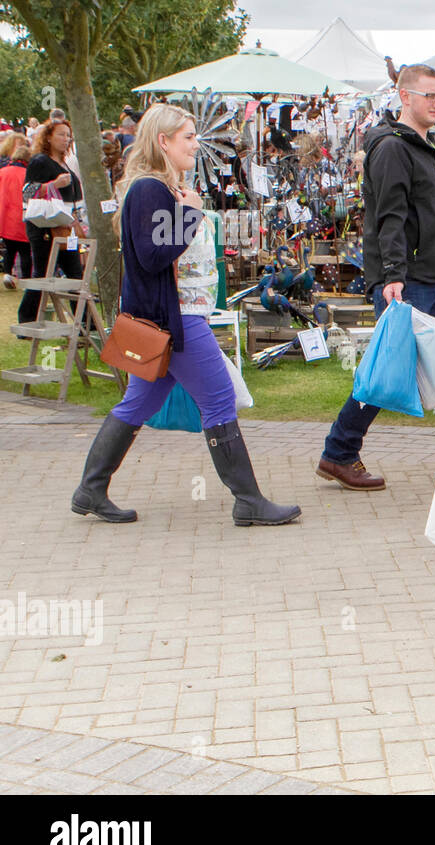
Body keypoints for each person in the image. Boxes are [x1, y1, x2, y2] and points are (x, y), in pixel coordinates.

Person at [71, 103, 300, 528]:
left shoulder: (160, 188)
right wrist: (191, 213)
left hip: (173, 316)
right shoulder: (148, 189)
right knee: (217, 399)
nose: (197, 144)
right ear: (163, 141)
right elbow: (154, 255)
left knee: (138, 402)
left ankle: (91, 488)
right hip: (175, 320)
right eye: (189, 137)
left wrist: (188, 209)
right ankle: (248, 500)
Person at [316, 64, 435, 491]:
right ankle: (339, 452)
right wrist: (393, 274)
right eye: (429, 95)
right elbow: (388, 216)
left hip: (431, 274)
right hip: (408, 278)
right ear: (404, 97)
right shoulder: (393, 147)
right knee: (389, 370)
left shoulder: (420, 146)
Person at [18, 119, 85, 324]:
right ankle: (27, 318)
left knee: (74, 272)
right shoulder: (40, 161)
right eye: (61, 134)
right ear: (48, 137)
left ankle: (83, 321)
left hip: (65, 226)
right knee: (43, 272)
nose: (66, 139)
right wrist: (52, 185)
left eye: (68, 135)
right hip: (45, 227)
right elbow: (27, 192)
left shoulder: (65, 163)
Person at [0, 141, 33, 288]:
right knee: (25, 251)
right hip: (22, 215)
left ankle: (7, 274)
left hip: (5, 215)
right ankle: (25, 280)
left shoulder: (3, 172)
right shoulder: (28, 174)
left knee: (10, 248)